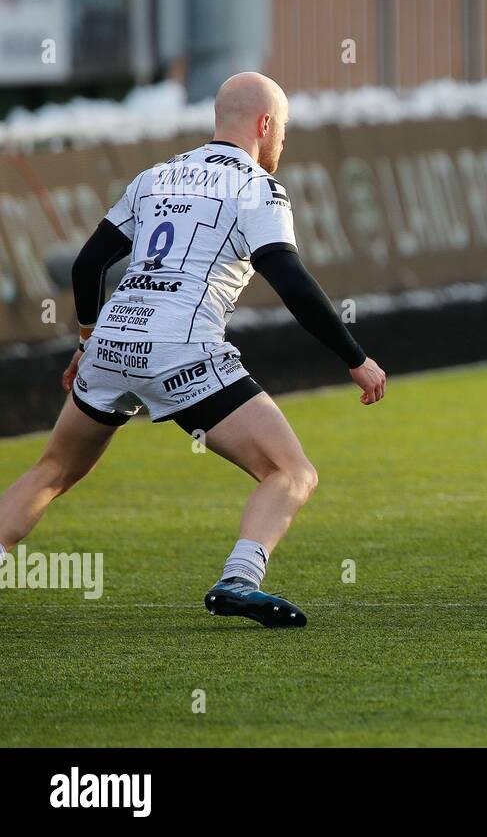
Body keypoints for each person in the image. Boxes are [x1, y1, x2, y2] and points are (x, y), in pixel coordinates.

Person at [0, 72, 387, 627]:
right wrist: (355, 357)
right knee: (291, 472)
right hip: (181, 349)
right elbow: (290, 278)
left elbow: (89, 266)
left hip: (114, 337)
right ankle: (238, 580)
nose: (282, 143)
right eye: (283, 130)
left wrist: (87, 341)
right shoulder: (258, 188)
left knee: (53, 469)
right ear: (264, 124)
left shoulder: (155, 176)